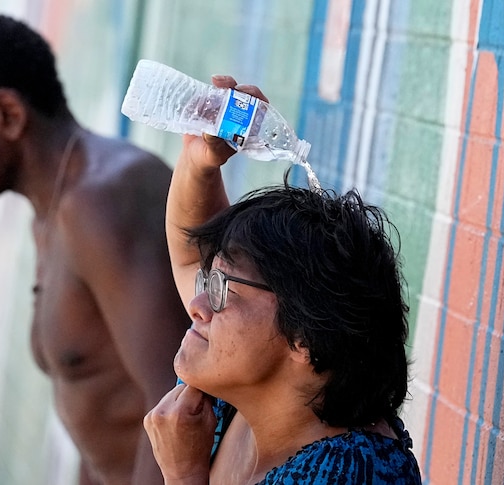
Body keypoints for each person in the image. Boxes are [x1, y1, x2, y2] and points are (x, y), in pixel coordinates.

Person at [0, 12, 190, 485]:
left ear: (7, 115)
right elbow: (105, 409)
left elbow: (176, 400)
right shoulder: (54, 207)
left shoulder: (100, 202)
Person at [143, 77, 422, 484]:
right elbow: (191, 254)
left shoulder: (351, 473)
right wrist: (200, 161)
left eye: (220, 291)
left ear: (304, 338)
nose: (197, 305)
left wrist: (184, 474)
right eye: (211, 282)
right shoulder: (242, 393)